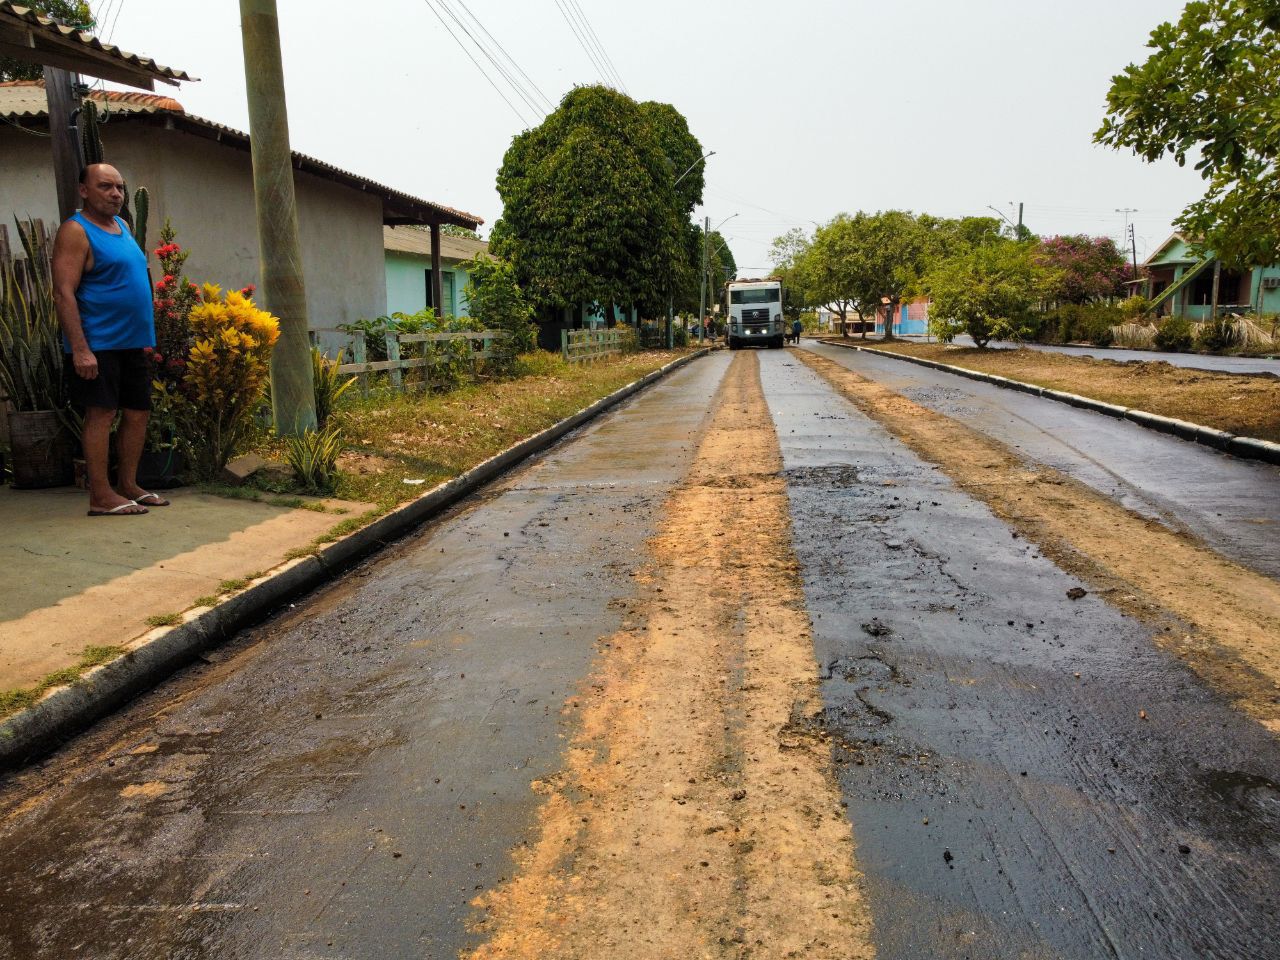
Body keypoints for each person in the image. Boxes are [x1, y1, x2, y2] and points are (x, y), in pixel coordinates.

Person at [52, 163, 169, 516]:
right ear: (84, 191)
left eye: (119, 187)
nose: (115, 194)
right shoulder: (76, 231)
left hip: (132, 342)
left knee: (138, 412)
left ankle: (128, 484)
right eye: (105, 186)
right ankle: (101, 495)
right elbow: (63, 292)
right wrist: (81, 349)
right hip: (98, 344)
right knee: (101, 414)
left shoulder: (122, 226)